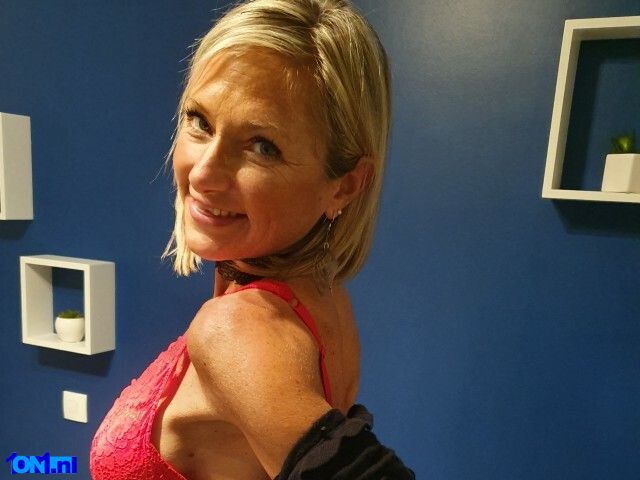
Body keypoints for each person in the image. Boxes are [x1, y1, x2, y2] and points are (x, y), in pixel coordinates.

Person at [90, 0, 414, 478]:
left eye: (262, 146)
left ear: (344, 185)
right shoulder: (321, 292)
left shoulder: (238, 330)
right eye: (200, 121)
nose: (203, 174)